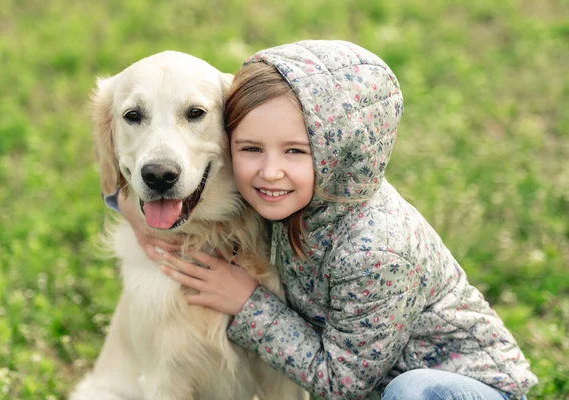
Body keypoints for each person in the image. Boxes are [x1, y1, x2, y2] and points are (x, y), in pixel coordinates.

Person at [109, 40, 537, 399]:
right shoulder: (276, 199)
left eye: (295, 151)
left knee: (413, 389)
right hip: (372, 385)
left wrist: (247, 304)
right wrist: (128, 204)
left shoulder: (373, 250)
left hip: (463, 388)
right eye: (252, 148)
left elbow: (344, 381)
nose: (269, 171)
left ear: (337, 152)